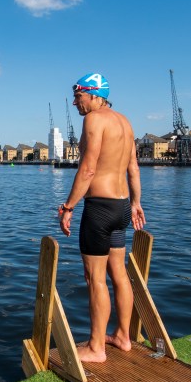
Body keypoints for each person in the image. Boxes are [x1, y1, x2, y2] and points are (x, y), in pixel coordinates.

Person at [58, 73, 146, 363]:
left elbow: (89, 169)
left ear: (95, 95)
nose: (74, 103)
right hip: (121, 207)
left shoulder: (94, 120)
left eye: (78, 96)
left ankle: (96, 348)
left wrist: (69, 206)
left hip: (99, 209)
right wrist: (135, 203)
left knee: (94, 278)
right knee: (118, 273)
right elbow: (133, 167)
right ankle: (122, 336)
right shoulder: (125, 122)